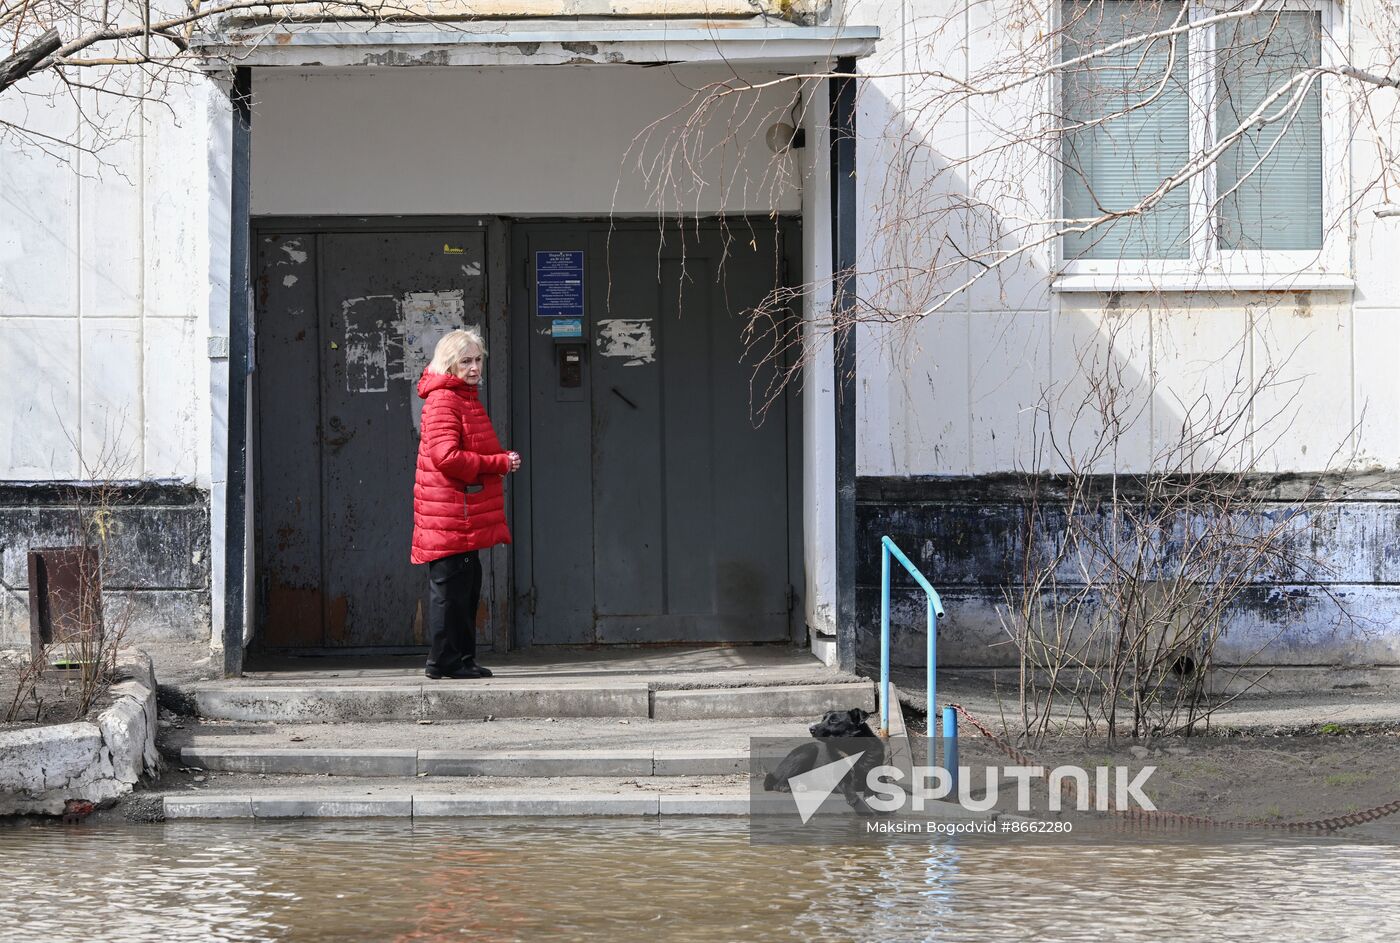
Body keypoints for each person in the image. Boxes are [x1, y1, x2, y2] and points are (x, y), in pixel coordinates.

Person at [410, 328, 522, 680]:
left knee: (467, 586)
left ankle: (462, 658)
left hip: (460, 512)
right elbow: (446, 457)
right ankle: (443, 661)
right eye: (466, 361)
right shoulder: (444, 399)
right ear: (449, 363)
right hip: (449, 512)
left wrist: (497, 458)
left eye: (478, 360)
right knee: (450, 590)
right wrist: (498, 463)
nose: (475, 367)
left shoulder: (462, 397)